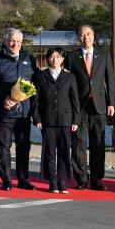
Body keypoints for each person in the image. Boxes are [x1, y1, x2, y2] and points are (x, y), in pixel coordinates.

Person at [63, 24, 115, 191]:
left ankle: (96, 179)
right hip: (78, 107)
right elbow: (67, 83)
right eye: (81, 35)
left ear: (93, 36)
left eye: (88, 34)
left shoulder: (104, 55)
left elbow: (111, 80)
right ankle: (80, 178)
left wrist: (111, 103)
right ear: (78, 38)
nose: (85, 38)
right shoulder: (71, 57)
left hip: (99, 106)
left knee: (98, 144)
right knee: (78, 143)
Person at [0, 28, 38, 191]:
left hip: (24, 113)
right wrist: (3, 99)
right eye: (12, 41)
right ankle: (6, 180)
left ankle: (23, 179)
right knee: (3, 147)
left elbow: (36, 82)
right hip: (4, 112)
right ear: (5, 40)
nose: (15, 44)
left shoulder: (29, 58)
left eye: (19, 41)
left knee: (24, 147)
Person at [34, 47, 80, 194]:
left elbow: (75, 101)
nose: (55, 59)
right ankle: (52, 181)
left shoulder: (70, 77)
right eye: (52, 57)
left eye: (58, 56)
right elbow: (37, 100)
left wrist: (75, 120)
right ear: (48, 59)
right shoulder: (41, 76)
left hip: (66, 119)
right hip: (47, 120)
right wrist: (37, 118)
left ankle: (63, 181)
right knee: (49, 152)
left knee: (64, 151)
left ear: (62, 59)